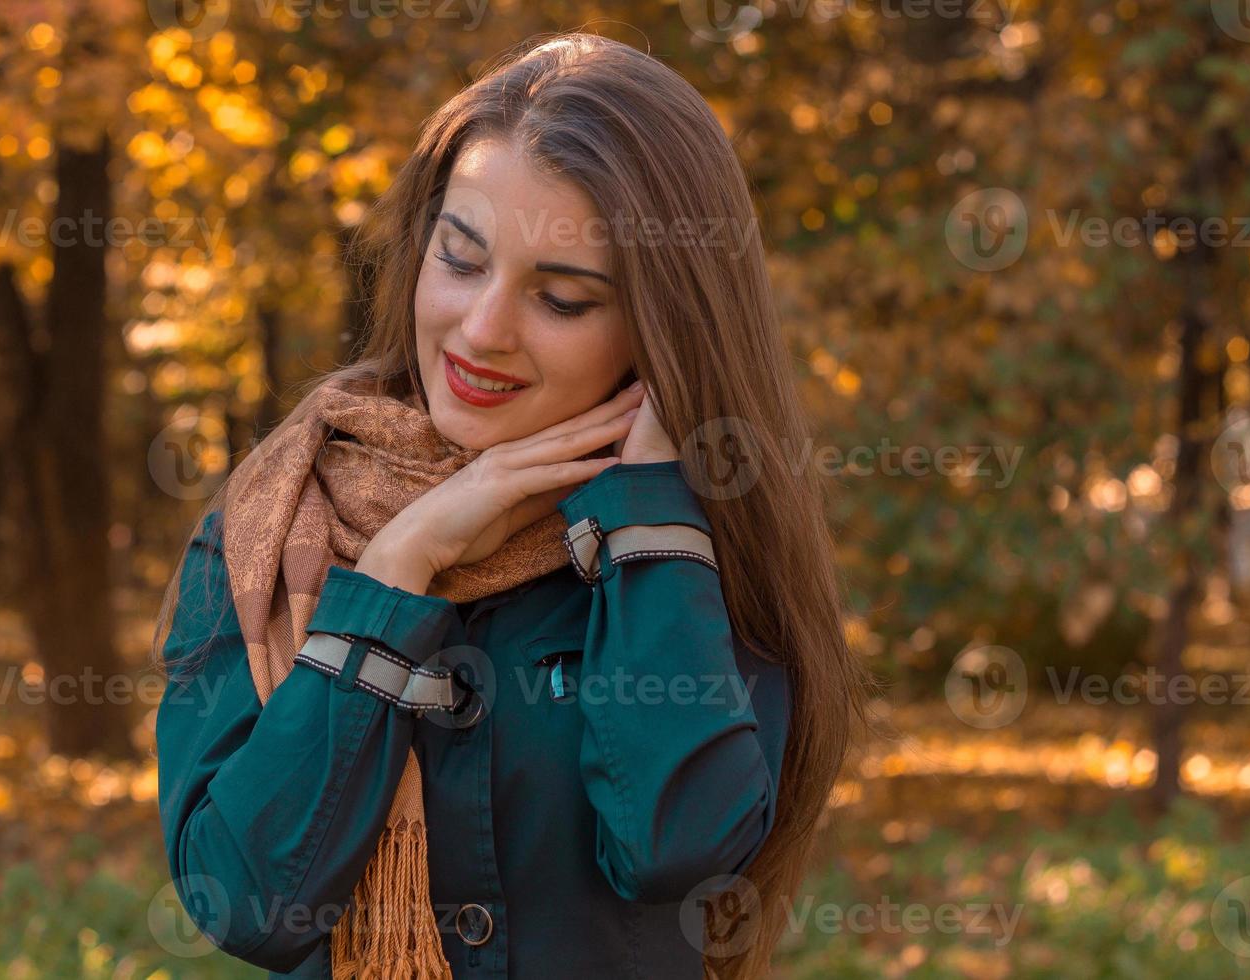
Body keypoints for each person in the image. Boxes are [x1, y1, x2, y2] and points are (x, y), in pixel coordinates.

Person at [152, 31, 873, 980]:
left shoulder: (699, 537)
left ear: (661, 324)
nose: (482, 331)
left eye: (562, 299)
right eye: (460, 259)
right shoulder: (272, 523)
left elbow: (678, 849)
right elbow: (241, 899)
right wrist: (394, 573)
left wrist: (650, 524)